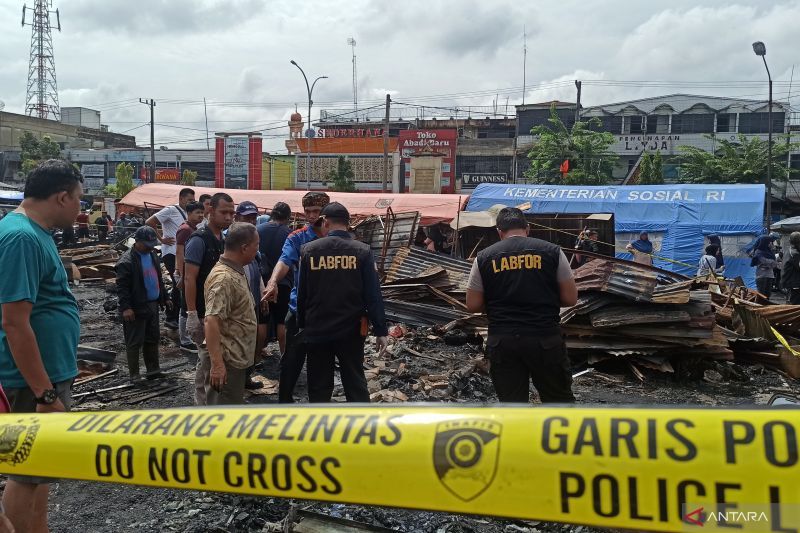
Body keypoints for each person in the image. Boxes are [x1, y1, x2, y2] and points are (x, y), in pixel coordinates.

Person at [0, 159, 83, 532]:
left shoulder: (35, 233)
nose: (82, 208)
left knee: (42, 471)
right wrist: (45, 395)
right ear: (62, 196)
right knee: (25, 471)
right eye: (79, 199)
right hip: (30, 383)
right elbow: (14, 323)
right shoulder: (21, 237)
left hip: (47, 377)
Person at [465, 207, 578, 403]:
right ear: (528, 228)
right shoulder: (553, 252)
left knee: (512, 407)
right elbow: (570, 299)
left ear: (499, 232)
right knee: (559, 403)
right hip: (545, 340)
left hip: (503, 342)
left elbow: (473, 305)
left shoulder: (483, 257)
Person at [297, 202, 389, 402]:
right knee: (355, 383)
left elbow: (302, 293)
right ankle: (361, 428)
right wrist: (381, 330)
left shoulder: (309, 250)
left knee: (319, 387)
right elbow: (372, 295)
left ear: (326, 222)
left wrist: (302, 325)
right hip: (351, 330)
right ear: (347, 224)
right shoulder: (362, 251)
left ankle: (321, 429)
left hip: (318, 328)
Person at [264, 191, 330, 403]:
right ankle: (285, 402)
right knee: (291, 361)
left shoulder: (336, 239)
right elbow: (284, 261)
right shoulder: (297, 237)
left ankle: (319, 408)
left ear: (325, 213)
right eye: (307, 211)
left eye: (316, 211)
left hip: (328, 311)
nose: (311, 216)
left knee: (321, 364)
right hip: (298, 308)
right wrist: (273, 281)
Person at [184, 193, 235, 405]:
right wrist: (192, 313)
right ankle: (205, 406)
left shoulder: (222, 239)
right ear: (210, 211)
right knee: (207, 358)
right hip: (205, 312)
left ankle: (201, 401)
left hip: (218, 310)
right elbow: (189, 278)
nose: (229, 217)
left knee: (205, 360)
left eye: (232, 213)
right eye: (224, 212)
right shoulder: (199, 239)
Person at [203, 222, 260, 404]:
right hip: (227, 362)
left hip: (235, 360)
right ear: (244, 248)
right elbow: (211, 320)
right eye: (256, 246)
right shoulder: (224, 278)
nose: (258, 250)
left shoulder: (236, 270)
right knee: (222, 421)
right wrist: (218, 365)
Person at [115, 226, 169, 381]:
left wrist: (165, 297)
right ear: (137, 241)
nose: (150, 247)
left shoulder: (152, 255)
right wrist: (126, 308)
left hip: (152, 304)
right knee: (134, 341)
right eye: (146, 244)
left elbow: (158, 279)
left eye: (152, 244)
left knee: (152, 338)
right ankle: (135, 375)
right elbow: (122, 288)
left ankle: (153, 371)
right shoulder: (126, 261)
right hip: (136, 307)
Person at [146, 187, 195, 329]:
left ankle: (177, 314)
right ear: (181, 199)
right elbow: (149, 222)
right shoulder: (170, 210)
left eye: (193, 200)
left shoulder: (189, 214)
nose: (191, 202)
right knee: (177, 284)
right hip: (171, 253)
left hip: (183, 254)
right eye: (189, 200)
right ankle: (171, 316)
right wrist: (161, 239)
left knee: (181, 284)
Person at [233, 201, 267, 390]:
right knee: (239, 343)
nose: (251, 221)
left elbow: (257, 269)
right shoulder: (230, 241)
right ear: (237, 218)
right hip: (238, 304)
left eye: (253, 217)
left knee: (252, 341)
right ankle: (236, 385)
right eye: (247, 217)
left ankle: (246, 378)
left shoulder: (254, 241)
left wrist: (262, 293)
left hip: (253, 300)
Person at [258, 201, 292, 355]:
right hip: (283, 281)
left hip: (261, 282)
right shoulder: (290, 234)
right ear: (288, 217)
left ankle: (257, 354)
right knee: (281, 320)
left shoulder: (258, 230)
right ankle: (284, 355)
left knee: (262, 319)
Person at [175, 201, 205, 353]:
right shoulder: (186, 230)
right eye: (197, 213)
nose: (201, 215)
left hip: (187, 272)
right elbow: (180, 253)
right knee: (185, 306)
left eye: (202, 212)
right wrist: (181, 274)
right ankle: (185, 341)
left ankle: (187, 338)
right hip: (184, 273)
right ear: (189, 213)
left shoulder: (193, 229)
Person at [782, 232, 800, 304]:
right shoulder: (794, 253)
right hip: (795, 284)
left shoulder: (790, 250)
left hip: (791, 283)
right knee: (795, 306)